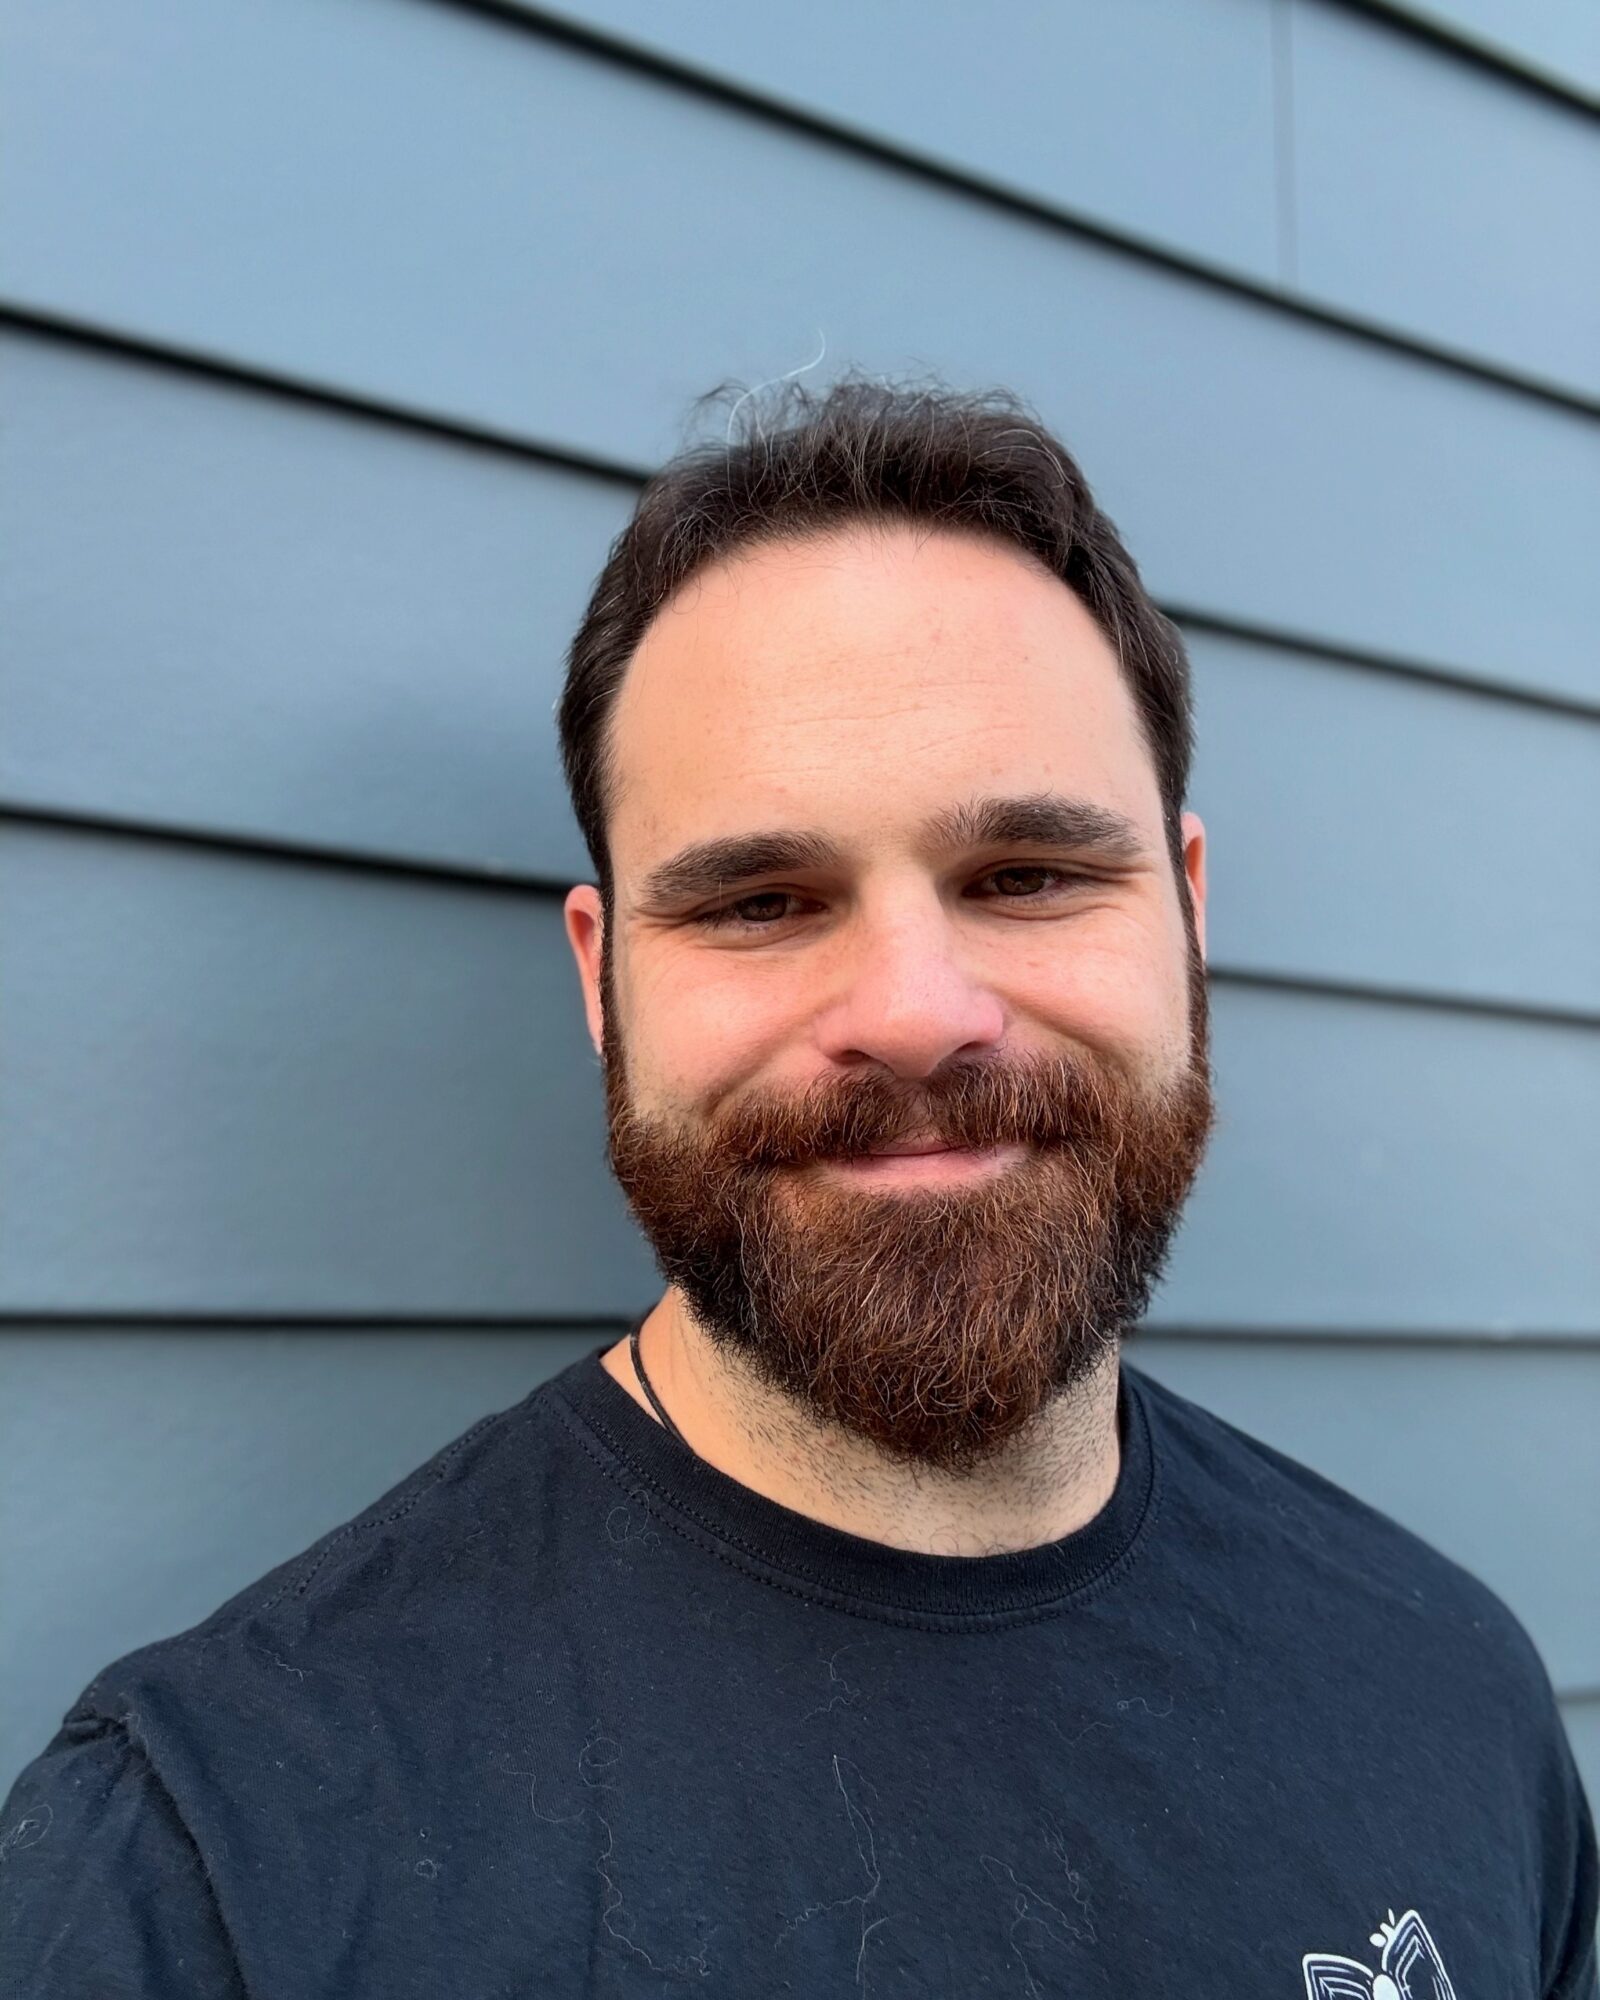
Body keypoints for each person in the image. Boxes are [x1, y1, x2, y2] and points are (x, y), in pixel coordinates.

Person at [3, 376, 1594, 1997]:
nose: (913, 1012)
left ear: (1186, 913)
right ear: (604, 978)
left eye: (1027, 875)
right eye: (761, 902)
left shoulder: (1449, 1694)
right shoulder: (208, 1873)